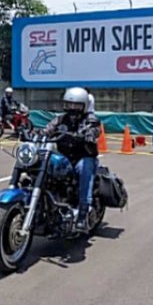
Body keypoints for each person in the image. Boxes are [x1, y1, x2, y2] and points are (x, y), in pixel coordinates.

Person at [40, 87, 101, 232]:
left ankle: (82, 213)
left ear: (84, 106)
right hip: (64, 157)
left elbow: (94, 128)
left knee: (84, 168)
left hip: (83, 157)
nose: (72, 108)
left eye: (77, 105)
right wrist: (38, 132)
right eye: (69, 104)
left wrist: (90, 134)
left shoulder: (90, 119)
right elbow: (49, 128)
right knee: (44, 162)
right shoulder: (61, 119)